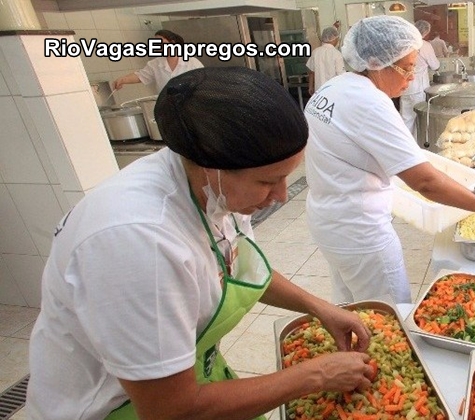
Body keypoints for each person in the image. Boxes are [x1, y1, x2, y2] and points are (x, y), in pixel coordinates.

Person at [27, 67, 375, 420]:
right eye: (269, 182)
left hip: (189, 374)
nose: (282, 196)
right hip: (116, 408)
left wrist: (317, 307)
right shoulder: (138, 242)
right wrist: (314, 375)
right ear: (212, 167)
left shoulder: (213, 188)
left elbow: (235, 264)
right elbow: (170, 410)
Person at [304, 16, 475, 305]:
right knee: (389, 316)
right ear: (377, 62)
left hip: (328, 222)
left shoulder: (333, 88)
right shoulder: (370, 103)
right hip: (361, 233)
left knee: (351, 308)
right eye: (406, 67)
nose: (411, 76)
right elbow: (425, 182)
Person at [113, 30, 204, 94]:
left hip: (190, 105)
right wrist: (123, 79)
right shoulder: (155, 64)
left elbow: (205, 82)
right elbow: (140, 76)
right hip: (166, 107)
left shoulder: (192, 62)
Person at [400, 20, 440, 139]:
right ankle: (417, 148)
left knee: (406, 119)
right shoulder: (424, 45)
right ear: (426, 32)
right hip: (418, 89)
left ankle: (404, 144)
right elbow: (435, 65)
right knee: (419, 119)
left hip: (404, 87)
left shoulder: (404, 45)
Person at [306, 26, 345, 95]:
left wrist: (310, 87)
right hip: (333, 91)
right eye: (337, 38)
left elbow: (311, 72)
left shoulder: (316, 52)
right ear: (333, 39)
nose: (337, 40)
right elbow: (341, 75)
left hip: (319, 91)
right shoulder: (336, 54)